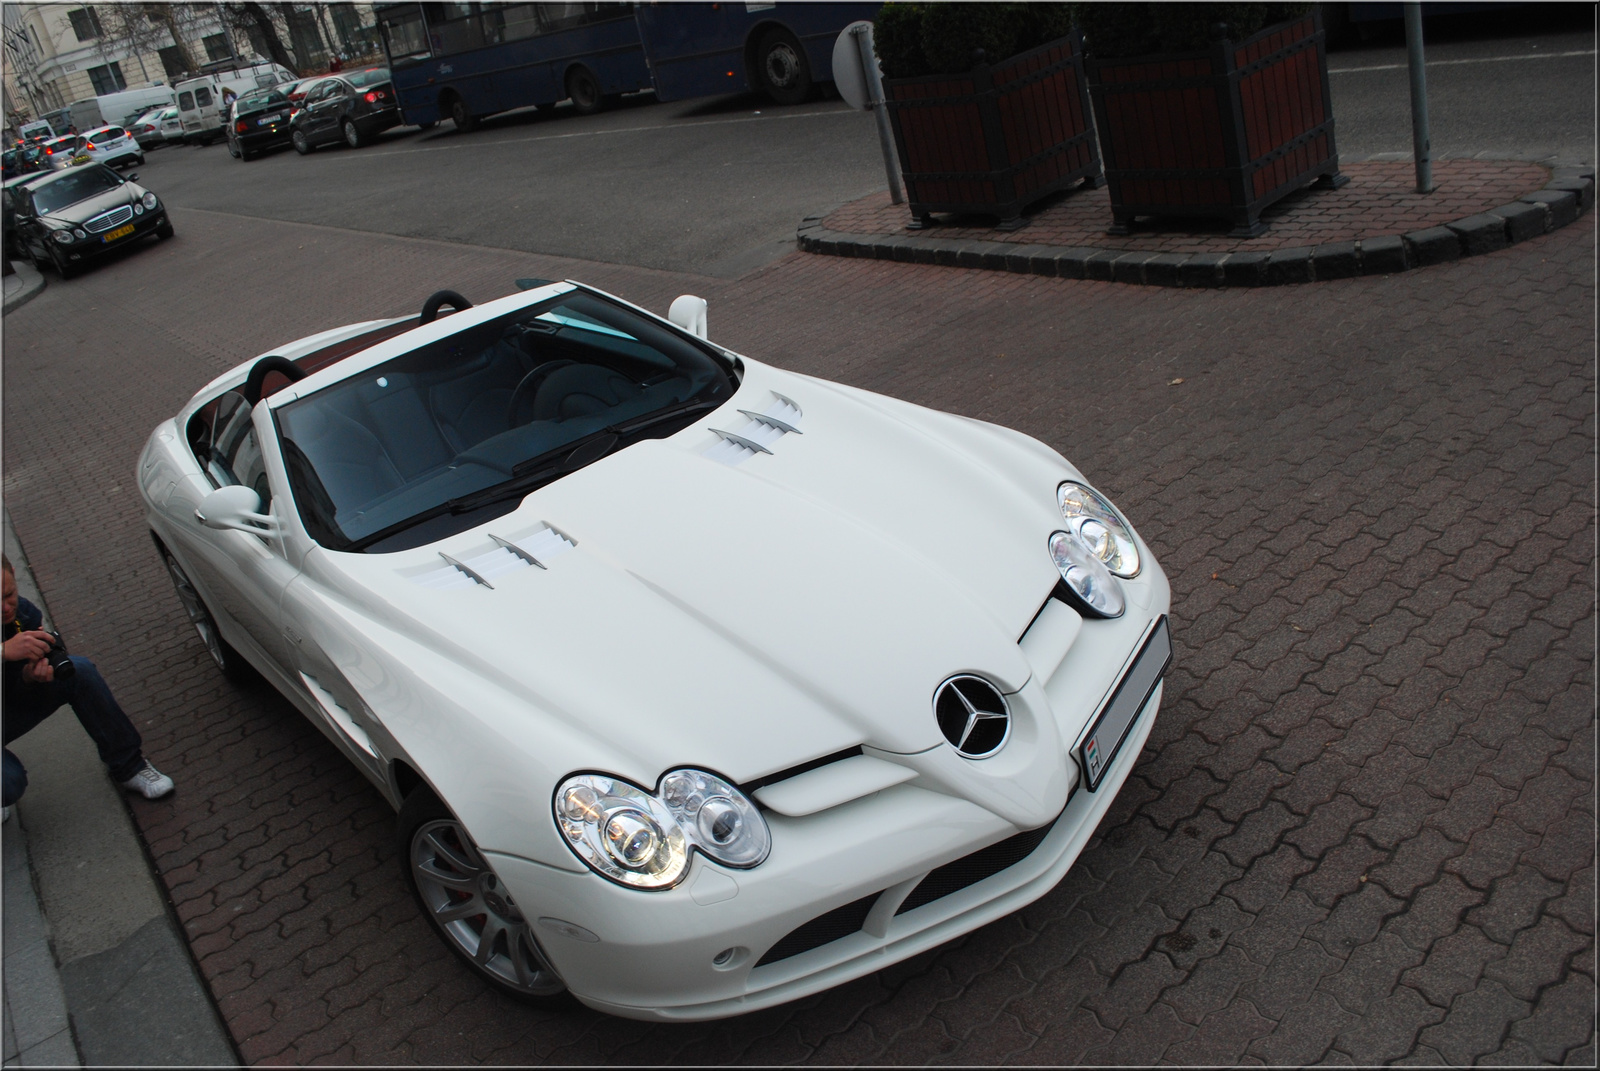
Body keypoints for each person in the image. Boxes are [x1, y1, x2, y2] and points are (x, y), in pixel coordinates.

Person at [2, 555, 173, 813]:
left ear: (14, 574)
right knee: (8, 784)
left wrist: (29, 676)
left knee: (79, 671)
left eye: (9, 594)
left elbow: (14, 688)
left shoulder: (23, 614)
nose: (5, 607)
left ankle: (130, 767)